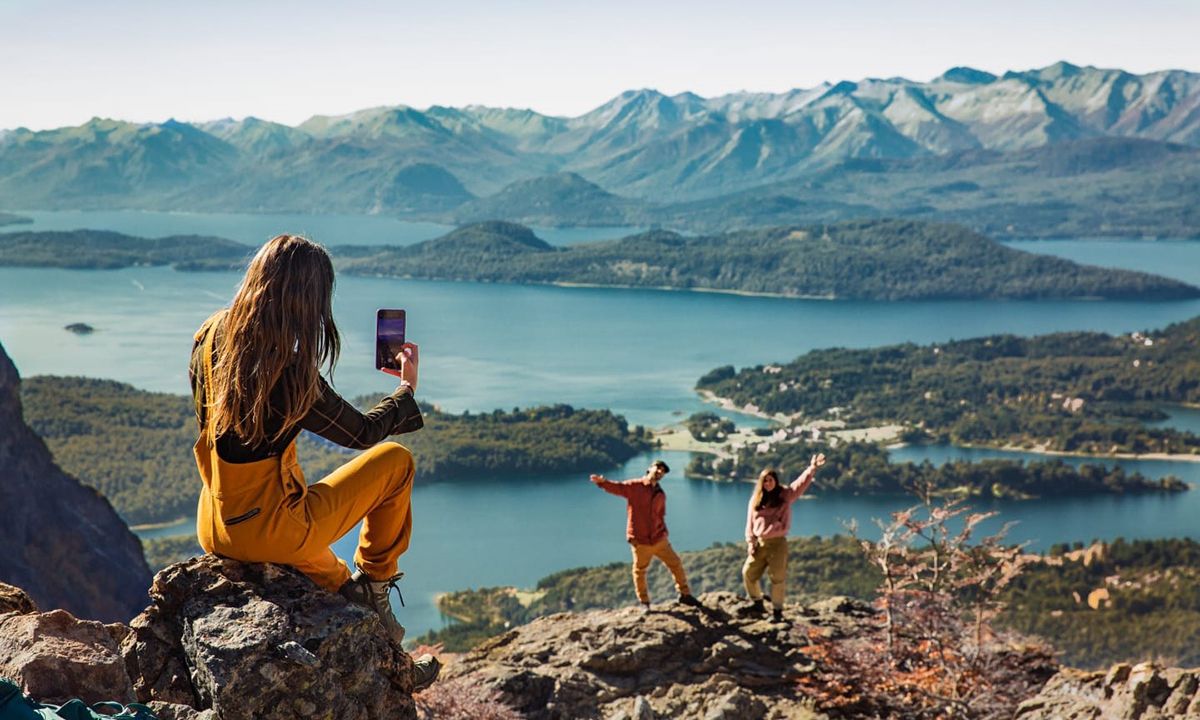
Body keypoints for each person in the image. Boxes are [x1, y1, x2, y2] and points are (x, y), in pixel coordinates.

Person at [188, 234, 439, 689]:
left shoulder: (208, 337)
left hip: (215, 524)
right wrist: (405, 391)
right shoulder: (288, 367)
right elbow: (362, 433)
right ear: (311, 300)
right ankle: (379, 581)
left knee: (340, 584)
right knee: (395, 462)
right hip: (274, 531)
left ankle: (395, 662)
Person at [591, 460, 701, 612]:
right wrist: (603, 483)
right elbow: (618, 488)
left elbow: (661, 515)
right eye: (658, 468)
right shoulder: (635, 486)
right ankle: (644, 602)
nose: (660, 472)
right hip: (640, 540)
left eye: (663, 471)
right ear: (649, 468)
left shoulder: (661, 494)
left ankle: (685, 595)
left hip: (659, 539)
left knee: (676, 564)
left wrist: (663, 532)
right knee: (640, 571)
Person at [743, 454, 826, 622]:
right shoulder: (756, 499)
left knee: (777, 578)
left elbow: (800, 485)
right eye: (765, 481)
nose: (768, 483)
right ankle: (757, 603)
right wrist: (751, 543)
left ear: (776, 481)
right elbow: (749, 523)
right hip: (760, 544)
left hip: (777, 544)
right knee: (748, 573)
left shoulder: (785, 495)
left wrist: (812, 468)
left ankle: (777, 612)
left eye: (771, 480)